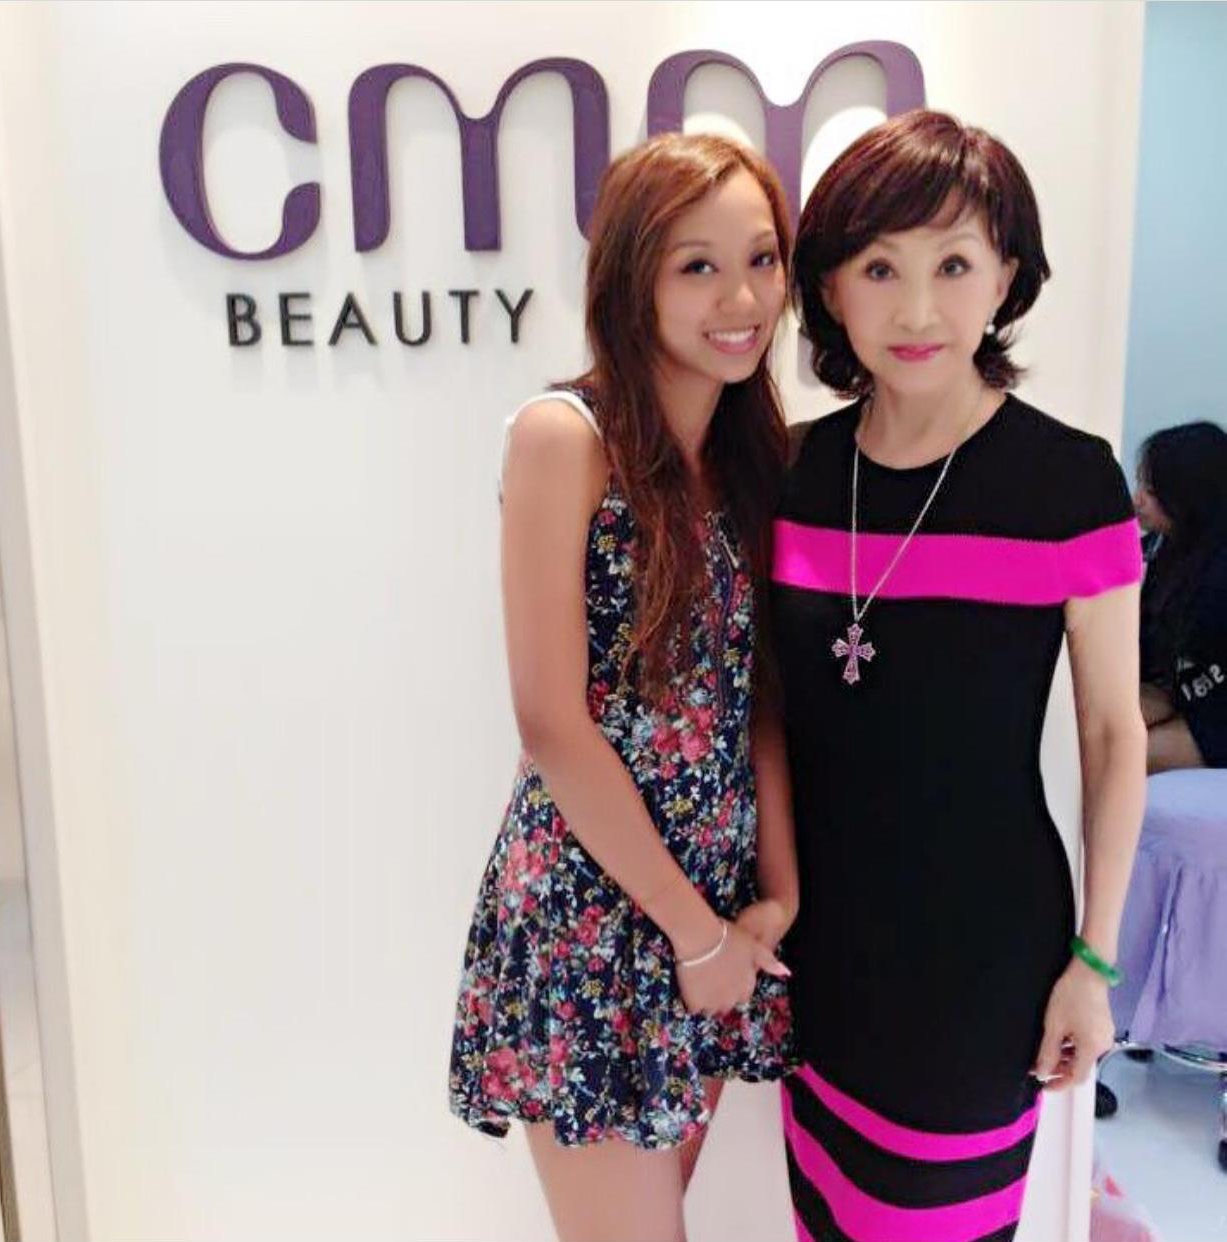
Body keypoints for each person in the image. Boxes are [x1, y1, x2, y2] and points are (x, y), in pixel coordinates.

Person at [771, 110, 1147, 1242]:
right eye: (880, 268)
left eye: (953, 265)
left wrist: (1095, 961)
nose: (917, 311)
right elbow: (771, 716)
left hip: (981, 962)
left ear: (1006, 279)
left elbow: (1112, 735)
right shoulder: (794, 470)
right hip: (822, 956)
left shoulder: (1069, 483)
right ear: (830, 288)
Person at [448, 133, 799, 1242]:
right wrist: (696, 938)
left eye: (762, 259)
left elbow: (759, 701)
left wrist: (775, 897)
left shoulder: (750, 460)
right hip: (597, 915)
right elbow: (550, 721)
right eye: (698, 266)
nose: (742, 298)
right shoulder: (568, 437)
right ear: (632, 277)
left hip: (713, 912)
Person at [1133, 421, 1227, 772]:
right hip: (1179, 693)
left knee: (1122, 756)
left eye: (1152, 490)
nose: (1138, 499)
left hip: (1215, 711)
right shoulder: (1158, 551)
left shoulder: (1217, 574)